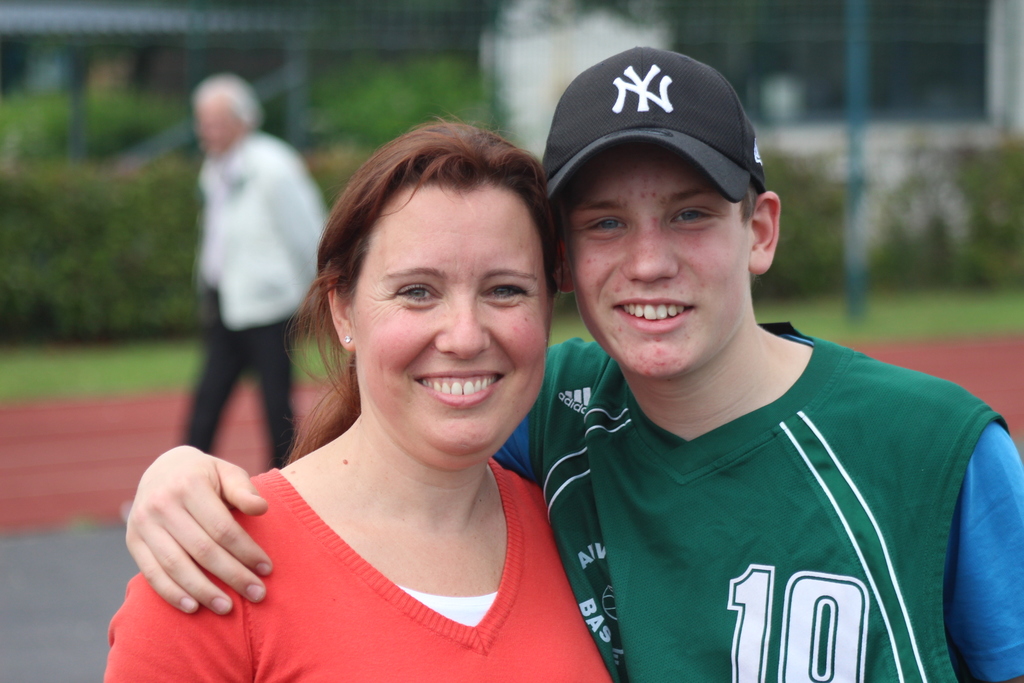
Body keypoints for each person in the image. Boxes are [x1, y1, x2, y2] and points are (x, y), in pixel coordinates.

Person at [121, 49, 1024, 682]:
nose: (647, 261)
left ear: (760, 229)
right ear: (568, 262)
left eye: (689, 214)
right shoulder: (555, 411)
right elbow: (393, 442)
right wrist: (179, 474)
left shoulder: (936, 448)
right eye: (604, 223)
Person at [105, 123, 612, 681]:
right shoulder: (211, 566)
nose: (465, 336)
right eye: (417, 291)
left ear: (547, 309)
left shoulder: (581, 531)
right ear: (343, 310)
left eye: (506, 290)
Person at [186, 73, 326, 470]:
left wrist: (310, 292)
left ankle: (285, 482)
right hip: (225, 301)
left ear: (242, 120)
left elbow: (307, 232)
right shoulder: (214, 167)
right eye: (203, 121)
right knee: (208, 398)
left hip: (269, 306)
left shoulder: (274, 166)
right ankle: (184, 479)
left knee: (276, 403)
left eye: (216, 122)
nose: (207, 131)